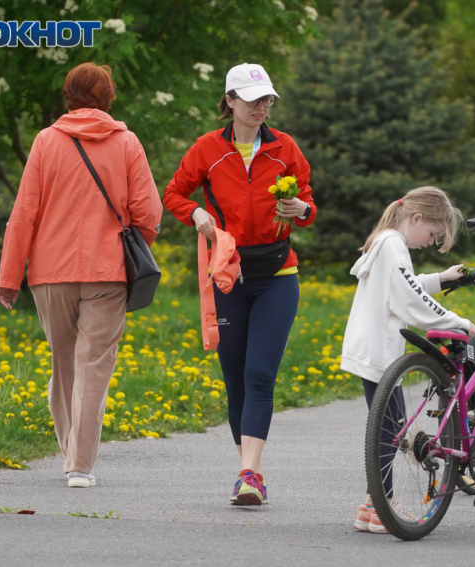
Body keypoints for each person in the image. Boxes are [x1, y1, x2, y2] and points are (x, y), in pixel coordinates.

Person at [0, 62, 162, 488]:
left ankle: (70, 449)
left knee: (64, 363)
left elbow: (24, 213)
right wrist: (131, 246)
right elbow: (149, 213)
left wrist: (9, 278)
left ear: (67, 96)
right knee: (94, 366)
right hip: (108, 274)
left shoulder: (46, 142)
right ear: (108, 97)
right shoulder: (126, 142)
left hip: (50, 273)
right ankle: (79, 465)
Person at [162, 63, 317, 506]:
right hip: (229, 274)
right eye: (252, 100)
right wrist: (195, 214)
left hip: (277, 275)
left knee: (259, 375)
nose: (261, 108)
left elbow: (308, 201)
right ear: (229, 100)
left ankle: (250, 474)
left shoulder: (285, 147)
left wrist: (300, 211)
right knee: (234, 378)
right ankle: (248, 470)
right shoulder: (207, 149)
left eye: (267, 100)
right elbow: (173, 192)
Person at [340, 186, 475, 533]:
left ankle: (371, 505)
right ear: (416, 218)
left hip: (372, 348)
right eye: (432, 234)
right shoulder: (393, 244)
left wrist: (440, 279)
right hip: (379, 352)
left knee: (390, 427)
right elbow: (408, 299)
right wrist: (456, 322)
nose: (430, 242)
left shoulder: (386, 242)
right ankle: (380, 504)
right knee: (389, 430)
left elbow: (404, 286)